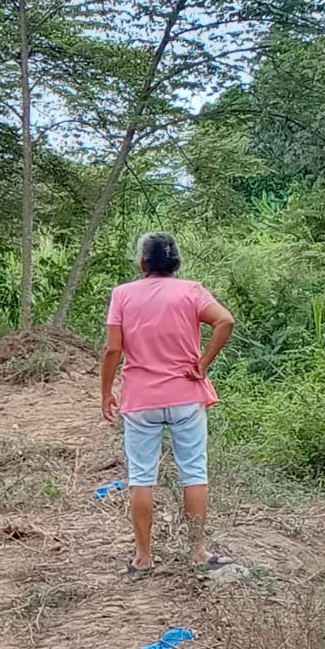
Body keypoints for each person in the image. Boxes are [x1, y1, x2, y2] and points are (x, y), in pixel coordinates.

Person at [100, 233, 236, 574]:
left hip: (140, 398)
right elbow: (225, 320)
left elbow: (113, 348)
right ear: (176, 263)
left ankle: (143, 557)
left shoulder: (122, 294)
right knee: (194, 472)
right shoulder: (192, 291)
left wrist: (105, 392)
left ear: (142, 262)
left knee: (141, 476)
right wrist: (202, 364)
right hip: (186, 394)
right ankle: (198, 551)